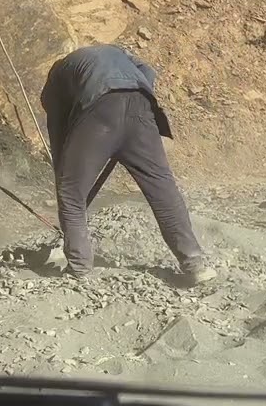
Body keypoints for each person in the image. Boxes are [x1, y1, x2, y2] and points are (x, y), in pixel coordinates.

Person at [40, 42, 217, 286]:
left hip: (100, 110)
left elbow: (58, 131)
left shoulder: (56, 79)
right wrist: (125, 126)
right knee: (162, 187)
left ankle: (79, 268)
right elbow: (149, 74)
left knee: (70, 193)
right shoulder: (119, 55)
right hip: (141, 105)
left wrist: (66, 176)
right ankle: (194, 264)